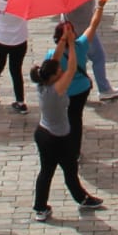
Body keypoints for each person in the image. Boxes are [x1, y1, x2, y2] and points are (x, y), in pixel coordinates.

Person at [28, 31, 100, 221]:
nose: (61, 72)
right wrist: (72, 47)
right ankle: (83, 198)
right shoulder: (57, 88)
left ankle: (40, 208)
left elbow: (56, 58)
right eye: (58, 72)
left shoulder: (43, 83)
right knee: (69, 170)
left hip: (43, 133)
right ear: (53, 77)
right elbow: (72, 67)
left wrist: (63, 40)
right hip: (58, 137)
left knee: (46, 171)